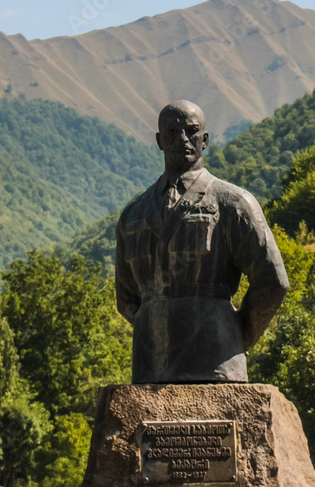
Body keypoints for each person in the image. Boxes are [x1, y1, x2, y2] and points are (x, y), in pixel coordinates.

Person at [115, 100, 289, 383]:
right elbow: (126, 300)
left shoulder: (234, 203)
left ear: (205, 139)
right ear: (159, 141)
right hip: (150, 366)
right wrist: (158, 323)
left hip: (217, 359)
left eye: (191, 131)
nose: (182, 139)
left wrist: (235, 335)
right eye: (172, 132)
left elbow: (273, 281)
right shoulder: (132, 216)